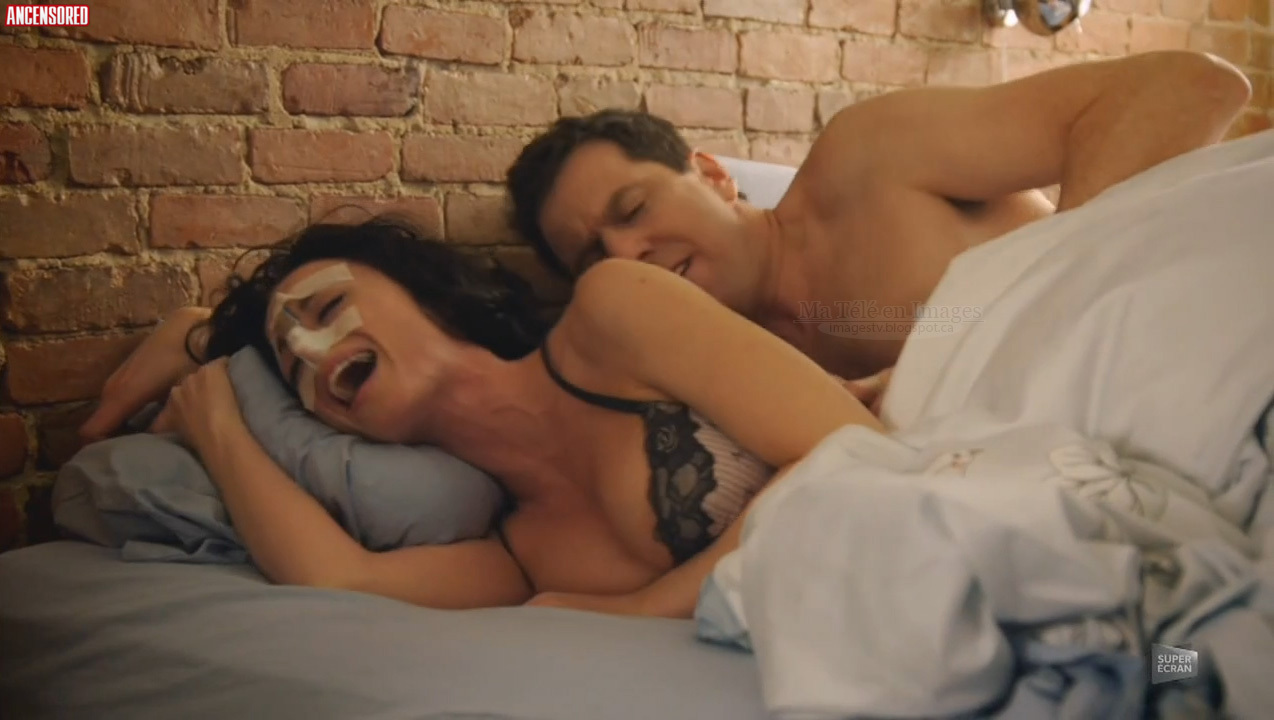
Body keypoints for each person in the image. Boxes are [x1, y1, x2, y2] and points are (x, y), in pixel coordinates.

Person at [134, 217, 882, 618]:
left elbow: (855, 450)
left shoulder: (615, 311)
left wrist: (649, 607)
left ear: (423, 291)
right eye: (290, 364)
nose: (308, 349)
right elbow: (338, 581)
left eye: (327, 308)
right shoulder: (514, 555)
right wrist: (219, 422)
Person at [505, 49, 1252, 387]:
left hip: (1210, 346)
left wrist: (1035, 314)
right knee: (1176, 652)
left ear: (712, 175)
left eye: (633, 207)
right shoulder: (738, 385)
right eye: (593, 258)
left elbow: (1189, 86)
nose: (627, 252)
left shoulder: (867, 161)